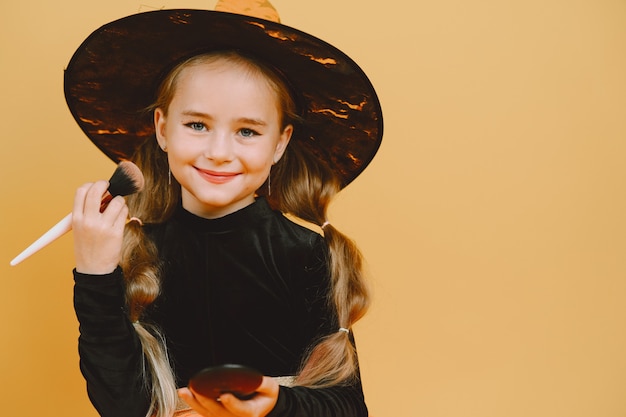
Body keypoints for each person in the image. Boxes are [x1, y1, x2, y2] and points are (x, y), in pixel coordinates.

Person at [66, 4, 383, 417]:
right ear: (163, 129)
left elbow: (346, 408)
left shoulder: (306, 256)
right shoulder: (132, 254)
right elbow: (121, 404)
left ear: (280, 143)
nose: (218, 153)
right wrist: (94, 274)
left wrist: (277, 403)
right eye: (197, 125)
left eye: (247, 131)